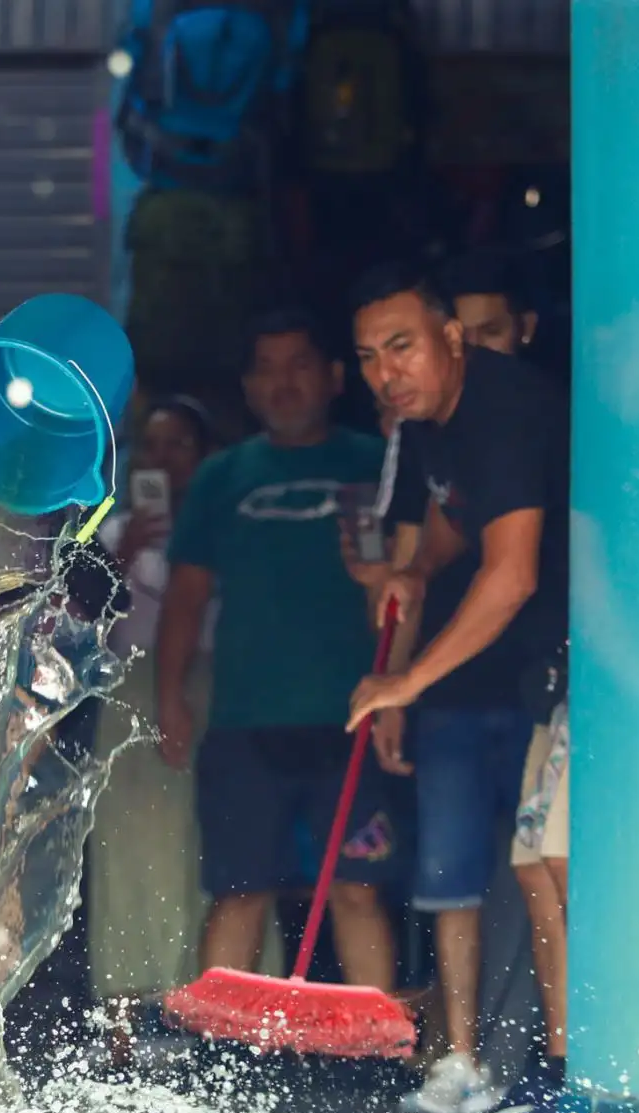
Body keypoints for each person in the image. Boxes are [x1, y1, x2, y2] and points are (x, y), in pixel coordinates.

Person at [344, 263, 569, 1113]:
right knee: (528, 866)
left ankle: (565, 1082)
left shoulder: (503, 407)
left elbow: (510, 576)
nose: (384, 371)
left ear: (452, 338)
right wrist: (421, 566)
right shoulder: (436, 422)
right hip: (543, 677)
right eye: (367, 356)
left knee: (544, 868)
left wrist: (408, 678)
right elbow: (454, 519)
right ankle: (541, 1077)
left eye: (401, 346)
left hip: (582, 663)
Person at [158, 309, 399, 993]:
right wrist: (170, 694)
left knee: (357, 888)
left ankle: (374, 1051)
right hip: (245, 720)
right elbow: (186, 594)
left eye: (298, 365)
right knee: (239, 890)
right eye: (265, 369)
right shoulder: (220, 476)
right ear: (248, 387)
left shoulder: (374, 463)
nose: (282, 383)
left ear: (332, 377)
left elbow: (416, 579)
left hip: (353, 713)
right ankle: (218, 1056)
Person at [86, 395, 217, 1070]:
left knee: (197, 850)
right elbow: (77, 618)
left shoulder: (221, 518)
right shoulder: (112, 527)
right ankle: (124, 1024)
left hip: (204, 685)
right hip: (127, 691)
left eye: (179, 447)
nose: (162, 461)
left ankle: (196, 1009)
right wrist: (121, 555)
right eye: (152, 446)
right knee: (124, 851)